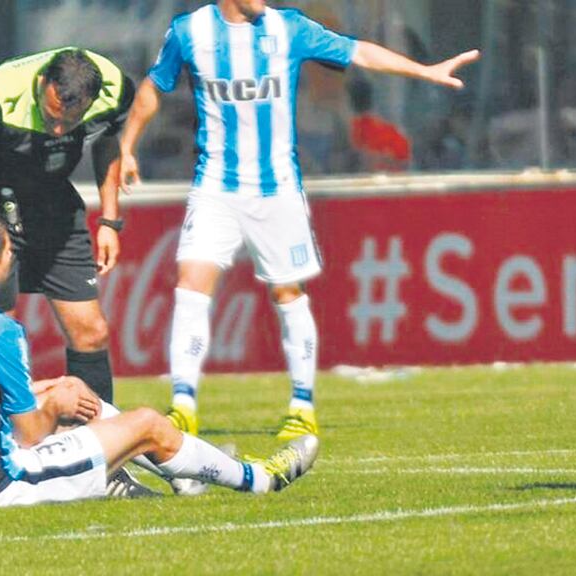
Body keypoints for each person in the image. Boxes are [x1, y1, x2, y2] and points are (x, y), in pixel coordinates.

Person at [118, 0, 479, 445]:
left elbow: (359, 52)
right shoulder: (189, 32)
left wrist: (424, 71)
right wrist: (128, 145)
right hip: (215, 188)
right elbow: (154, 87)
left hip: (277, 192)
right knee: (191, 283)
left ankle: (302, 406)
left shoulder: (287, 28)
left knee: (288, 292)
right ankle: (184, 404)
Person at [0, 206, 318, 508]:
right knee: (148, 423)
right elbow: (28, 434)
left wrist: (58, 391)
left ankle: (182, 475)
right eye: (9, 253)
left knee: (73, 390)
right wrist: (56, 405)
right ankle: (259, 479)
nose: (14, 261)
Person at [0, 47, 134, 406]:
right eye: (50, 115)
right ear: (41, 83)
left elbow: (106, 143)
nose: (56, 129)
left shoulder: (115, 89)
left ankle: (101, 449)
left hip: (52, 204)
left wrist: (110, 221)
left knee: (92, 332)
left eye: (68, 122)